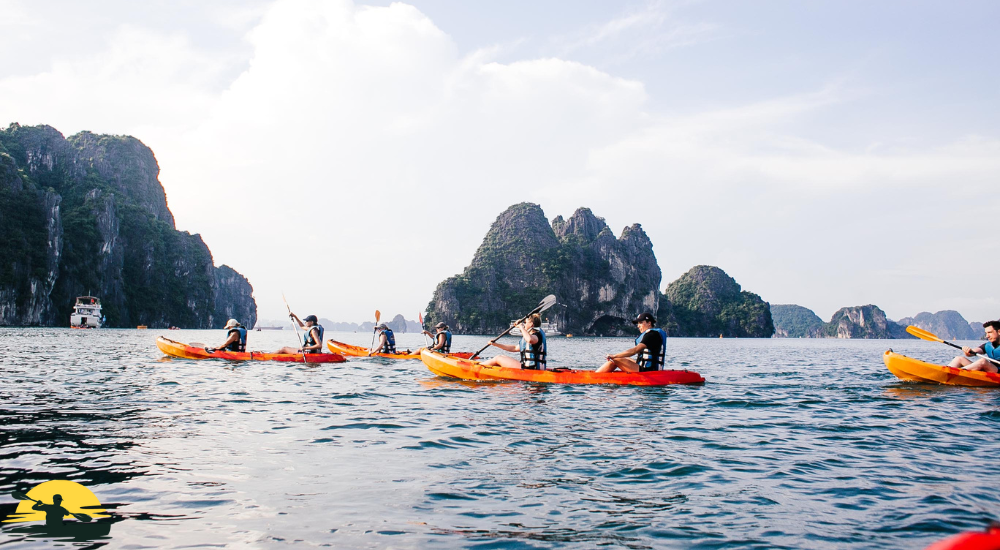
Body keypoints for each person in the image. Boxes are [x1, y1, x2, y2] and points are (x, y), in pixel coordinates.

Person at [596, 312, 667, 373]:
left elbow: (635, 351)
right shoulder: (653, 334)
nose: (638, 326)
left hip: (648, 370)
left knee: (615, 359)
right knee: (622, 358)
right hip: (648, 367)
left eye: (641, 323)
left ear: (649, 323)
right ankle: (599, 374)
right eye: (638, 323)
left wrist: (614, 356)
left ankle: (595, 376)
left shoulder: (651, 335)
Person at [481, 314, 547, 370]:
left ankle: (478, 367)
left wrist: (521, 327)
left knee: (498, 358)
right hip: (531, 367)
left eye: (525, 322)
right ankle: (480, 365)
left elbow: (530, 339)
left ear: (531, 324)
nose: (524, 324)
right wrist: (496, 344)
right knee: (502, 357)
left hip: (531, 369)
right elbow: (514, 348)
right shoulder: (531, 336)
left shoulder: (536, 335)